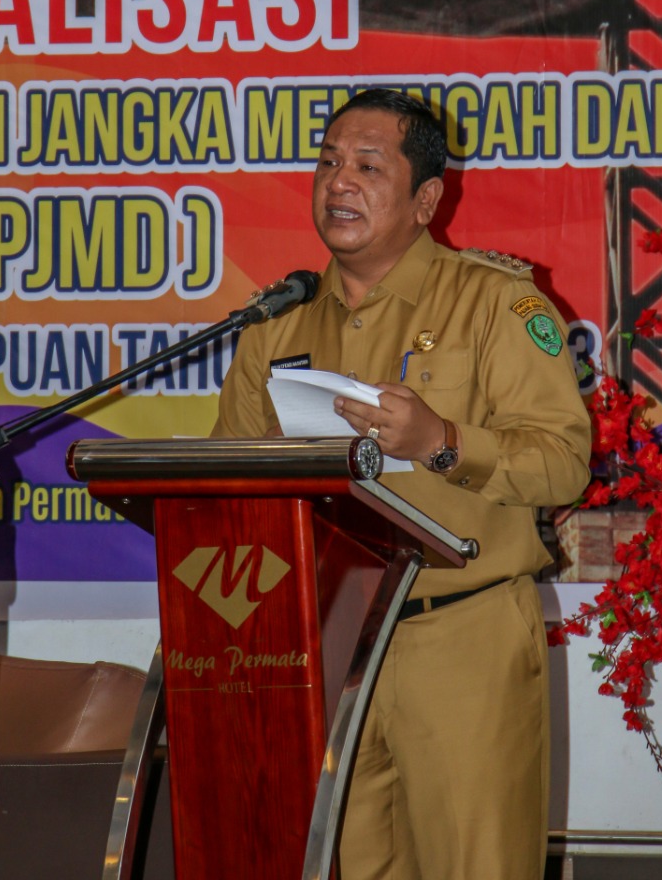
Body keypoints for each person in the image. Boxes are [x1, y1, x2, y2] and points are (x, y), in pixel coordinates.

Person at [212, 87, 591, 880]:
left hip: (462, 638)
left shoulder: (495, 302)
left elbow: (562, 461)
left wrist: (441, 443)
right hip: (328, 647)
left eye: (366, 166)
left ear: (424, 200)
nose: (338, 182)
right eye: (327, 163)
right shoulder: (274, 325)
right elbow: (231, 486)